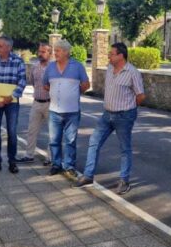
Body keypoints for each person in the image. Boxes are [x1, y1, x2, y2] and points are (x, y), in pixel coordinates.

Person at [74, 42, 145, 195]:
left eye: (111, 54)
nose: (108, 56)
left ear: (121, 55)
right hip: (107, 115)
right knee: (94, 142)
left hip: (124, 116)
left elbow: (140, 96)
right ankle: (88, 176)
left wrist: (129, 110)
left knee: (125, 148)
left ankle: (124, 180)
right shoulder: (110, 68)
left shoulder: (132, 72)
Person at [43, 39, 90, 179]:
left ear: (66, 52)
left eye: (57, 51)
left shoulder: (77, 66)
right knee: (54, 140)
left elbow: (86, 84)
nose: (54, 53)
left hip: (72, 111)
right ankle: (56, 165)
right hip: (54, 111)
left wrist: (74, 92)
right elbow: (45, 84)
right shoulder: (50, 67)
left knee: (70, 140)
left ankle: (69, 167)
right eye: (54, 51)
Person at [0, 36, 26, 174]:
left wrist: (11, 97)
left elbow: (22, 81)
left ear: (9, 47)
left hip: (11, 103)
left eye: (0, 46)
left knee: (12, 132)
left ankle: (12, 162)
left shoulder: (18, 61)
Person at [16, 42, 52, 166]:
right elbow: (32, 82)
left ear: (50, 53)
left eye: (43, 52)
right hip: (36, 103)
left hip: (50, 104)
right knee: (31, 130)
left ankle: (50, 158)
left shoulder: (54, 67)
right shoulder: (34, 67)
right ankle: (29, 155)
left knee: (52, 132)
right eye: (39, 51)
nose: (40, 54)